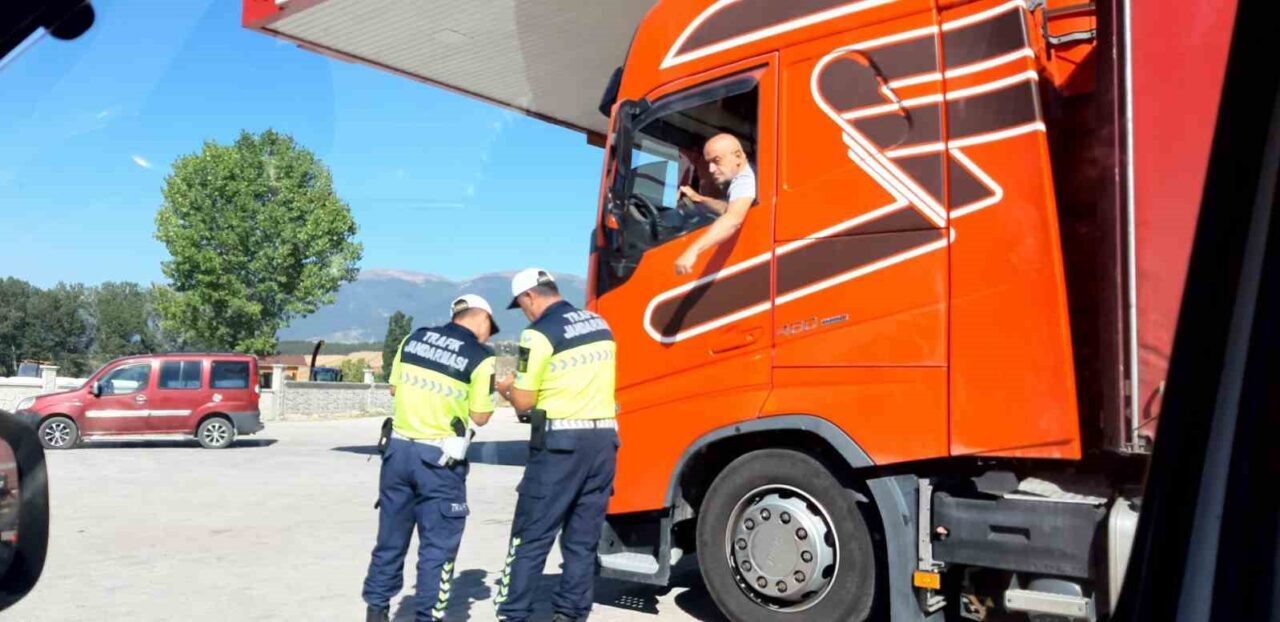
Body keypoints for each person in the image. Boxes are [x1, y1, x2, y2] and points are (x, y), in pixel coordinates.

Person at [362, 294, 500, 622]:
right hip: (439, 462)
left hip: (398, 453)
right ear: (481, 318)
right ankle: (427, 616)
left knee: (390, 540)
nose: (489, 335)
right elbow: (481, 417)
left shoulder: (413, 339)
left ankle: (377, 610)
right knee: (437, 550)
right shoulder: (480, 357)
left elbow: (394, 389)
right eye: (490, 328)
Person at [492, 268, 619, 622]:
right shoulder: (600, 325)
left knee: (530, 536)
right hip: (603, 443)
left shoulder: (538, 334)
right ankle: (571, 613)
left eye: (521, 306)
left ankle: (514, 613)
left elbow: (524, 401)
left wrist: (506, 388)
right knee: (581, 539)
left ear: (529, 296)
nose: (525, 313)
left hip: (561, 446)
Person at [674, 132, 757, 275]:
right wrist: (699, 199)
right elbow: (730, 208)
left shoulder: (744, 178)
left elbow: (732, 219)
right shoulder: (749, 173)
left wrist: (692, 251)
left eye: (717, 161)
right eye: (709, 163)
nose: (711, 169)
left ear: (738, 156)